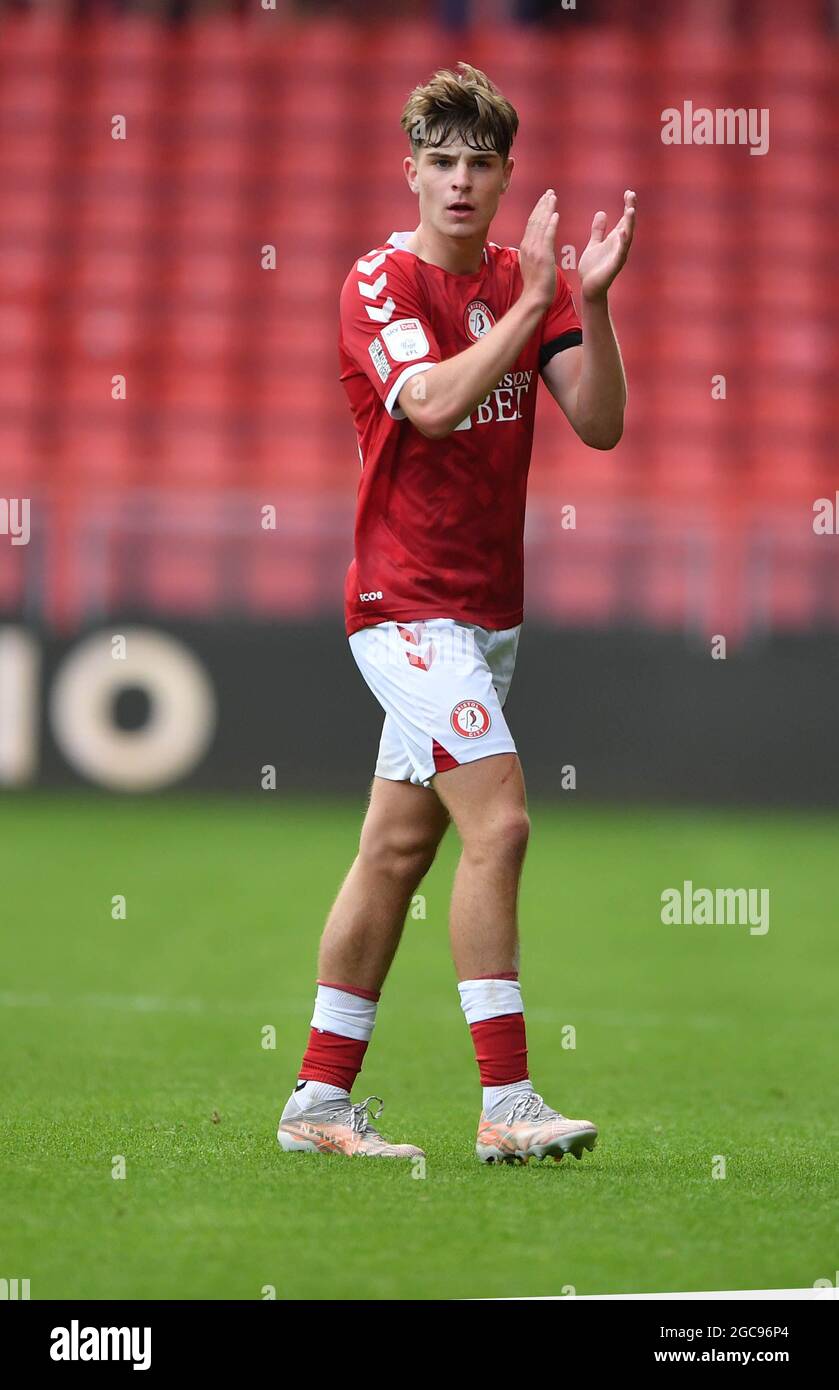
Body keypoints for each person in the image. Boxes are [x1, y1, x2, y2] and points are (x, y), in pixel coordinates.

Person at [278, 61, 634, 1164]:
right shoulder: (376, 283)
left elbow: (602, 424)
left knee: (392, 852)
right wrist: (529, 299)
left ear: (504, 173)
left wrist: (594, 303)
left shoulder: (536, 286)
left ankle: (318, 1104)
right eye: (442, 162)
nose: (462, 182)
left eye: (481, 163)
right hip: (404, 603)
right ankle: (506, 1102)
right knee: (504, 823)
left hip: (487, 615)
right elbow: (428, 404)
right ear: (411, 171)